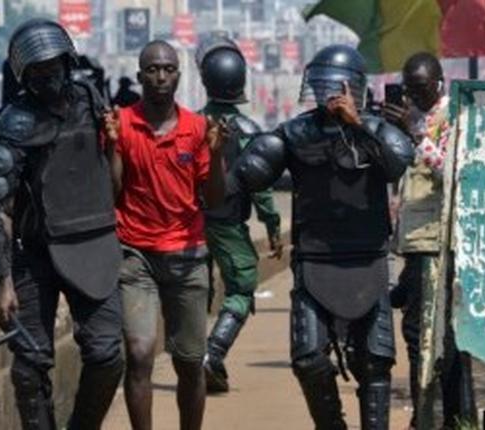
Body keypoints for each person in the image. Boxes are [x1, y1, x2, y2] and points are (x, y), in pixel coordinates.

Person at [232, 45, 414, 429]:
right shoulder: (297, 132)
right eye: (322, 86)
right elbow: (252, 171)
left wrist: (357, 124)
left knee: (375, 363)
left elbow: (399, 163)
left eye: (338, 88)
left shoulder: (378, 131)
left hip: (369, 260)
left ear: (356, 89)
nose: (329, 94)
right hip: (315, 262)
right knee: (308, 359)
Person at [0, 18, 123, 430]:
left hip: (93, 243)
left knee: (107, 354)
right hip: (36, 253)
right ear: (25, 77)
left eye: (55, 68)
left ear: (68, 63)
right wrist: (3, 280)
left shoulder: (91, 98)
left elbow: (112, 178)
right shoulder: (14, 123)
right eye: (38, 73)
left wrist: (114, 143)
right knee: (30, 366)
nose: (49, 80)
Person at [105, 40, 226, 430]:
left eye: (168, 69)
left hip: (187, 256)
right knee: (139, 354)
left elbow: (214, 197)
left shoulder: (195, 128)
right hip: (135, 255)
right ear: (140, 76)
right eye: (153, 70)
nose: (160, 77)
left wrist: (217, 154)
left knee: (190, 362)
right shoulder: (121, 123)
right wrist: (111, 148)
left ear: (178, 74)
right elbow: (113, 192)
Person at [384, 52, 476, 430]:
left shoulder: (453, 117)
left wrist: (416, 132)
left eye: (421, 89)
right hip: (415, 240)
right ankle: (449, 414)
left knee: (428, 334)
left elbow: (451, 169)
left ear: (438, 82)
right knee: (430, 333)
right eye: (410, 89)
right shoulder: (410, 115)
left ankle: (438, 415)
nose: (415, 96)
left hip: (440, 240)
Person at [194, 36, 282, 393]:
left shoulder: (191, 126)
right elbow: (261, 187)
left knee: (194, 293)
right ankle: (213, 353)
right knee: (243, 290)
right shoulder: (249, 132)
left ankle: (193, 357)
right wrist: (273, 227)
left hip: (192, 224)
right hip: (229, 223)